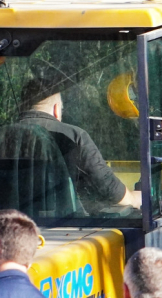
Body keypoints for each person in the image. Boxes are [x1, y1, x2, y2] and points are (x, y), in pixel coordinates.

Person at [7, 73, 141, 210]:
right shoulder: (73, 136)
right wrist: (134, 198)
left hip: (7, 223)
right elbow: (107, 186)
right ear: (56, 109)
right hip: (67, 224)